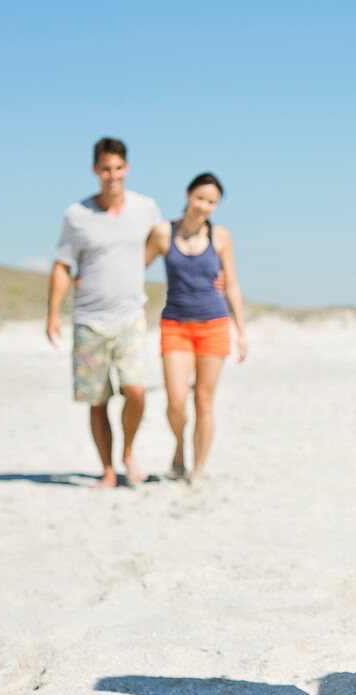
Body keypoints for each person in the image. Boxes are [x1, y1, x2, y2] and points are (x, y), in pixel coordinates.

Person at [47, 138, 163, 489]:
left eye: (118, 168)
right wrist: (52, 314)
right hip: (88, 321)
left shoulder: (145, 208)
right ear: (95, 170)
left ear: (126, 169)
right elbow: (62, 265)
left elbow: (166, 241)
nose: (112, 175)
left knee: (136, 390)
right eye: (105, 169)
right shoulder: (77, 215)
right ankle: (108, 470)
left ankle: (128, 452)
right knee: (97, 402)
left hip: (130, 316)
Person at [144, 173, 246, 488]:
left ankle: (197, 470)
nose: (204, 206)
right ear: (189, 195)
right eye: (200, 198)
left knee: (203, 401)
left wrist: (241, 331)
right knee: (176, 400)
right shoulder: (163, 234)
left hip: (214, 326)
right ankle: (179, 444)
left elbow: (231, 284)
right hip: (174, 325)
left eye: (211, 202)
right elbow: (133, 268)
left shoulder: (221, 237)